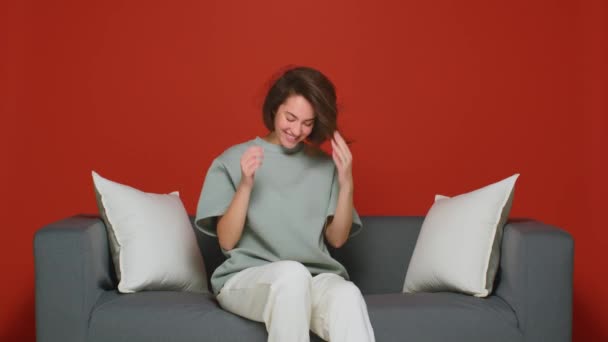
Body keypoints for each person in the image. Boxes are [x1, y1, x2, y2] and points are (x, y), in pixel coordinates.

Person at [195, 66, 375, 342]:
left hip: (313, 279)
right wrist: (245, 185)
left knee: (346, 294)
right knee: (293, 276)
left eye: (307, 123)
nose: (296, 130)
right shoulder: (232, 160)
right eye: (290, 118)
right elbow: (227, 241)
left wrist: (347, 180)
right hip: (248, 279)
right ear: (274, 108)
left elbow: (337, 239)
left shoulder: (324, 166)